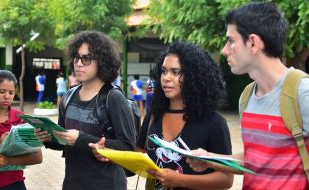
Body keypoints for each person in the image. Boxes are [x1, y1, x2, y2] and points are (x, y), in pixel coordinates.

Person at [187, 2, 309, 190]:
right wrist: (210, 159)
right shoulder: (246, 96)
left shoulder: (301, 92)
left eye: (231, 41)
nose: (225, 50)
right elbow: (255, 160)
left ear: (253, 43)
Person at [91, 41, 234, 189]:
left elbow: (226, 179)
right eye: (164, 71)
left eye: (176, 72)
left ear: (195, 76)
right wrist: (111, 155)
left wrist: (179, 180)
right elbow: (141, 159)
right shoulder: (154, 115)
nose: (166, 77)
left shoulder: (214, 122)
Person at [34, 31, 136, 190]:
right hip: (73, 184)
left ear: (102, 62)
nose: (79, 63)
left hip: (106, 185)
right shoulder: (69, 96)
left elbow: (128, 148)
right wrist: (48, 138)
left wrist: (80, 139)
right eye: (76, 57)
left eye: (86, 58)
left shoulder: (113, 98)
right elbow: (64, 142)